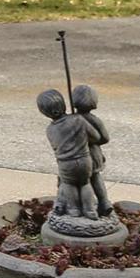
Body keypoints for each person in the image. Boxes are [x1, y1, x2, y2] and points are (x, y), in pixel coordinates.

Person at [37, 88, 98, 219]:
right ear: (64, 105)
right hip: (84, 159)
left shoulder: (50, 130)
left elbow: (56, 147)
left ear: (44, 113)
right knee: (85, 183)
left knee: (69, 185)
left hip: (66, 163)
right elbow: (96, 137)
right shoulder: (78, 119)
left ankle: (73, 209)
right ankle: (90, 209)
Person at [71, 84, 111, 218]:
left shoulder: (72, 119)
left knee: (84, 181)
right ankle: (104, 202)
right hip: (94, 154)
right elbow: (104, 138)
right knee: (95, 177)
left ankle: (87, 205)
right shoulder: (95, 120)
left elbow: (105, 138)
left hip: (81, 154)